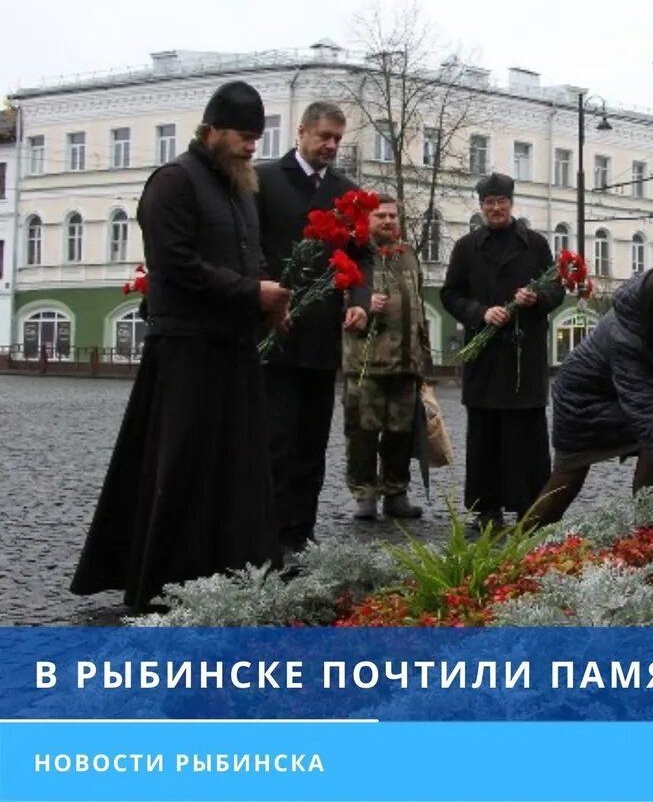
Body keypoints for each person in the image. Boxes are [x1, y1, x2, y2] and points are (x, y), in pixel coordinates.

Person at [71, 81, 291, 610]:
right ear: (212, 129)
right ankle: (164, 579)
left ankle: (236, 571)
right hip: (186, 349)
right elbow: (175, 265)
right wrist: (249, 291)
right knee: (183, 465)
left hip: (234, 345)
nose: (250, 148)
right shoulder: (173, 182)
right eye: (243, 136)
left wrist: (267, 298)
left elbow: (246, 257)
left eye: (257, 139)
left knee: (236, 467)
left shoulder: (241, 188)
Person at [256, 101, 372, 553]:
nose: (330, 146)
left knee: (312, 442)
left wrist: (359, 301)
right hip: (274, 333)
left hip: (323, 336)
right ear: (301, 132)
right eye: (323, 136)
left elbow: (363, 255)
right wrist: (265, 294)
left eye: (338, 139)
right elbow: (252, 244)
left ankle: (300, 532)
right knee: (275, 440)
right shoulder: (265, 180)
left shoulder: (347, 191)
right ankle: (267, 531)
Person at [528, 264, 653, 526]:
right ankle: (523, 543)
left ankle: (648, 527)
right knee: (570, 472)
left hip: (609, 393)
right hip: (581, 401)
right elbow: (647, 417)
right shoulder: (626, 338)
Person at [441, 173, 562, 530]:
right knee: (485, 437)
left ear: (511, 203)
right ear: (481, 207)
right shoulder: (466, 247)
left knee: (527, 435)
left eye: (501, 202)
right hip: (485, 360)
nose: (495, 208)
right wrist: (480, 313)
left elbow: (557, 290)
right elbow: (450, 294)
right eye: (489, 202)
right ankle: (485, 509)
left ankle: (531, 507)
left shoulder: (536, 245)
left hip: (525, 359)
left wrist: (537, 297)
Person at [341, 195, 432, 520]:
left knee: (401, 434)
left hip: (406, 364)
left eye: (393, 216)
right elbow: (335, 297)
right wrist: (362, 304)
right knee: (362, 433)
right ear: (367, 219)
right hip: (365, 364)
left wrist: (423, 359)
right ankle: (365, 494)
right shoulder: (354, 255)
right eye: (380, 216)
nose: (389, 222)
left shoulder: (408, 255)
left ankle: (396, 492)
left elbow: (419, 304)